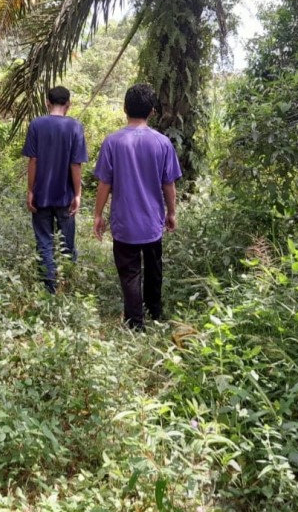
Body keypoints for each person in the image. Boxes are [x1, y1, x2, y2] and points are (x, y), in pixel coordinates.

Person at [93, 83, 182, 329]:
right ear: (152, 111)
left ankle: (135, 322)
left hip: (124, 223)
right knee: (154, 268)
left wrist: (98, 215)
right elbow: (169, 184)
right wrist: (171, 213)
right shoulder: (163, 143)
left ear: (124, 108)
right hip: (152, 221)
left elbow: (104, 184)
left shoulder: (112, 142)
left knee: (130, 272)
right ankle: (154, 311)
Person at [22, 85, 88, 293]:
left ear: (47, 103)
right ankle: (67, 284)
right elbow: (75, 164)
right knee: (67, 243)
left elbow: (33, 160)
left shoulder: (36, 124)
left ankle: (49, 288)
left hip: (41, 194)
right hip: (65, 195)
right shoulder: (75, 127)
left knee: (44, 241)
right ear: (68, 104)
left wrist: (30, 190)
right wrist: (77, 194)